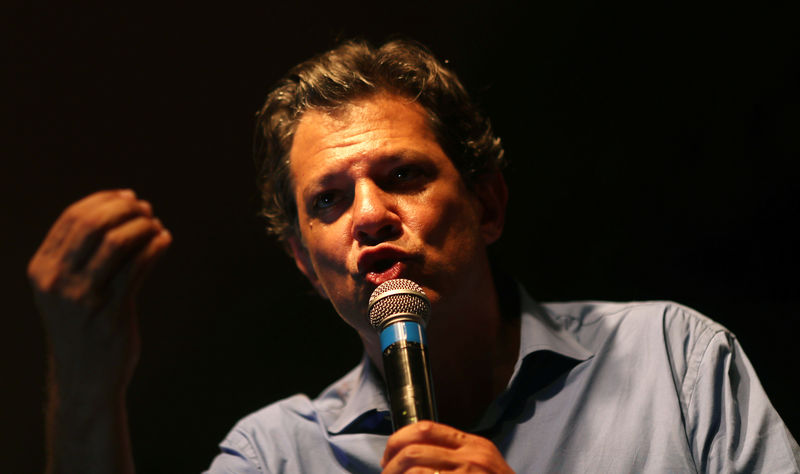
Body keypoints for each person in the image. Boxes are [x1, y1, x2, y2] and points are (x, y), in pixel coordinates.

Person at [28, 39, 799, 473]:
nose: (367, 216)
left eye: (401, 176)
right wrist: (87, 388)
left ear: (488, 205)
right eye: (327, 201)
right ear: (306, 263)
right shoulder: (277, 456)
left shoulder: (675, 364)